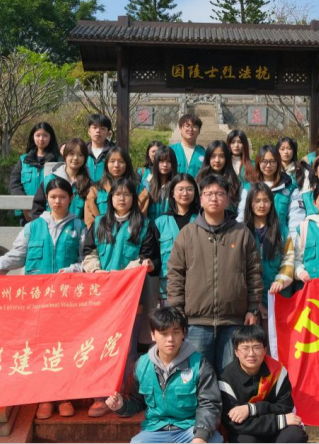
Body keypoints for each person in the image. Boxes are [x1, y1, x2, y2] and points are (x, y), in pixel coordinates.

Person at [0, 177, 87, 419]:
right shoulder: (32, 227)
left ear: (71, 199)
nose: (58, 201)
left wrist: (74, 269)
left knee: (64, 347)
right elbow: (15, 257)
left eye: (62, 197)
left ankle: (64, 396)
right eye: (53, 197)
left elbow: (86, 260)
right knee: (41, 347)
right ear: (47, 199)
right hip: (37, 301)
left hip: (67, 299)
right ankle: (44, 398)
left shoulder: (79, 227)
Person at [167, 174, 262, 372]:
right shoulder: (187, 233)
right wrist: (177, 311)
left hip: (233, 321)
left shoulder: (242, 233)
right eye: (208, 194)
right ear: (201, 199)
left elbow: (254, 273)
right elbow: (175, 274)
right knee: (198, 375)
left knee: (231, 375)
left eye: (219, 193)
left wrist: (252, 308)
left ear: (227, 199)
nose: (214, 198)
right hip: (196, 323)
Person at [82, 177, 160, 418]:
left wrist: (139, 266)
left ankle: (124, 394)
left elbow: (151, 257)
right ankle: (100, 395)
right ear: (110, 198)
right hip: (102, 299)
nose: (122, 198)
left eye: (127, 194)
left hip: (131, 299)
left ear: (133, 198)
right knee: (100, 346)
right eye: (118, 194)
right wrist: (95, 269)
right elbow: (88, 252)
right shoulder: (99, 223)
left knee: (127, 349)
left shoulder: (144, 225)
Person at [106, 307, 223, 444]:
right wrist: (121, 405)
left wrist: (201, 436)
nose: (170, 339)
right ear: (153, 335)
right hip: (155, 430)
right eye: (164, 333)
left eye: (176, 332)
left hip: (190, 428)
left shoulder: (199, 364)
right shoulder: (141, 364)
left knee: (213, 440)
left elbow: (210, 404)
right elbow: (137, 401)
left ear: (183, 333)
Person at [219, 326, 308, 444]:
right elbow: (234, 423)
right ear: (236, 352)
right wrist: (279, 421)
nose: (251, 354)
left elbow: (285, 407)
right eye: (245, 348)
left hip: (276, 430)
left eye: (257, 347)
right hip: (247, 431)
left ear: (265, 350)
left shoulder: (277, 371)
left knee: (294, 435)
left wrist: (252, 409)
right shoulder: (226, 378)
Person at [243, 183, 295, 321]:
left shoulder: (282, 229)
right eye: (257, 201)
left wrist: (281, 281)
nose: (262, 205)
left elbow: (289, 259)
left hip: (277, 296)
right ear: (250, 203)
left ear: (271, 203)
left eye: (266, 200)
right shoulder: (242, 231)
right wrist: (255, 303)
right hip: (249, 302)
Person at [237, 145, 301, 238]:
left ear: (278, 163)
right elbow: (242, 215)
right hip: (253, 241)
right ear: (258, 163)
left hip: (281, 241)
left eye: (272, 161)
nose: (268, 165)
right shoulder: (248, 188)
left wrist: (292, 242)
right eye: (264, 161)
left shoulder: (290, 189)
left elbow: (296, 218)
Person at [154, 174, 199, 305]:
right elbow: (155, 258)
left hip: (198, 289)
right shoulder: (160, 222)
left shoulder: (202, 220)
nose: (185, 193)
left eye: (189, 189)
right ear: (173, 193)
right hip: (167, 290)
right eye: (180, 189)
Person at [84, 146, 150, 228]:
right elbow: (90, 219)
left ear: (127, 164)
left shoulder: (138, 188)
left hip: (130, 232)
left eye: (121, 161)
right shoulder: (96, 189)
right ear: (106, 164)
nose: (116, 165)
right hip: (102, 232)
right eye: (112, 161)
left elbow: (141, 215)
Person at [9, 122, 62, 225]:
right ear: (32, 137)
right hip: (26, 212)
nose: (41, 139)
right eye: (38, 135)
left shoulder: (58, 161)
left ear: (50, 138)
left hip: (51, 211)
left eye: (45, 135)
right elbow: (14, 183)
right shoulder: (24, 160)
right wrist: (24, 206)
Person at [30, 138, 93, 220]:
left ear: (85, 158)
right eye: (71, 154)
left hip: (76, 227)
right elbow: (37, 209)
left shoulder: (89, 184)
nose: (75, 158)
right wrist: (42, 226)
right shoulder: (50, 180)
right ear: (65, 156)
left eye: (80, 155)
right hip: (50, 226)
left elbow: (90, 216)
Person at [196, 140, 243, 215]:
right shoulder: (200, 180)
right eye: (213, 156)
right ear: (208, 158)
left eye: (221, 156)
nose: (217, 160)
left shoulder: (235, 182)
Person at [145, 146, 178, 221]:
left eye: (169, 161)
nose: (165, 165)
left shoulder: (177, 184)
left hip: (170, 225)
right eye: (161, 161)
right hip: (150, 226)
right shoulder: (147, 184)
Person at [86, 114, 117, 183]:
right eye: (94, 127)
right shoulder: (82, 151)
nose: (98, 131)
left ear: (108, 133)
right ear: (89, 131)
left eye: (102, 128)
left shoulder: (115, 152)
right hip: (85, 189)